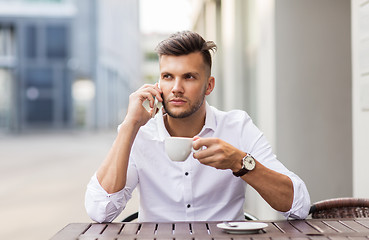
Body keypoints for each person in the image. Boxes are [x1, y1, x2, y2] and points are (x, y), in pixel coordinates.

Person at [85, 31, 310, 223]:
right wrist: (129, 126)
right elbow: (100, 211)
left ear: (209, 85)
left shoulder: (237, 126)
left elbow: (299, 206)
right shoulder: (139, 134)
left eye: (189, 77)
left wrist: (240, 163)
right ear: (158, 83)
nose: (176, 88)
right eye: (167, 76)